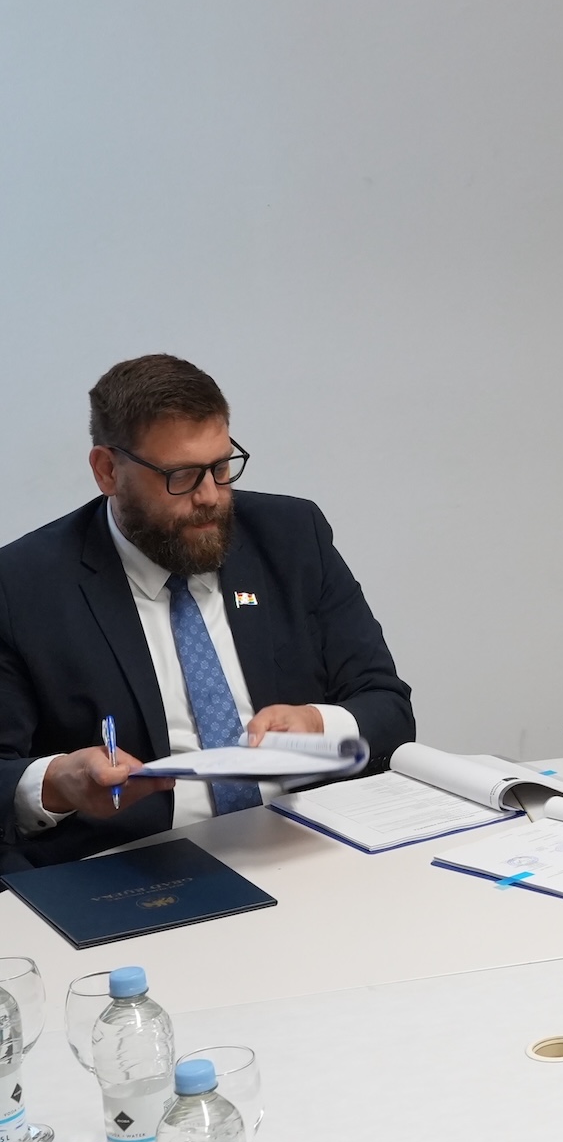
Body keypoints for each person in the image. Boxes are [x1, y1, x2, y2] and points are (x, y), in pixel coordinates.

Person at [0, 355, 415, 872]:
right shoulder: (23, 584)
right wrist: (56, 783)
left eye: (221, 468)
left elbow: (388, 708)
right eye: (181, 476)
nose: (210, 497)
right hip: (135, 867)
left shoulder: (291, 535)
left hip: (303, 844)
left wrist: (316, 723)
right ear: (107, 471)